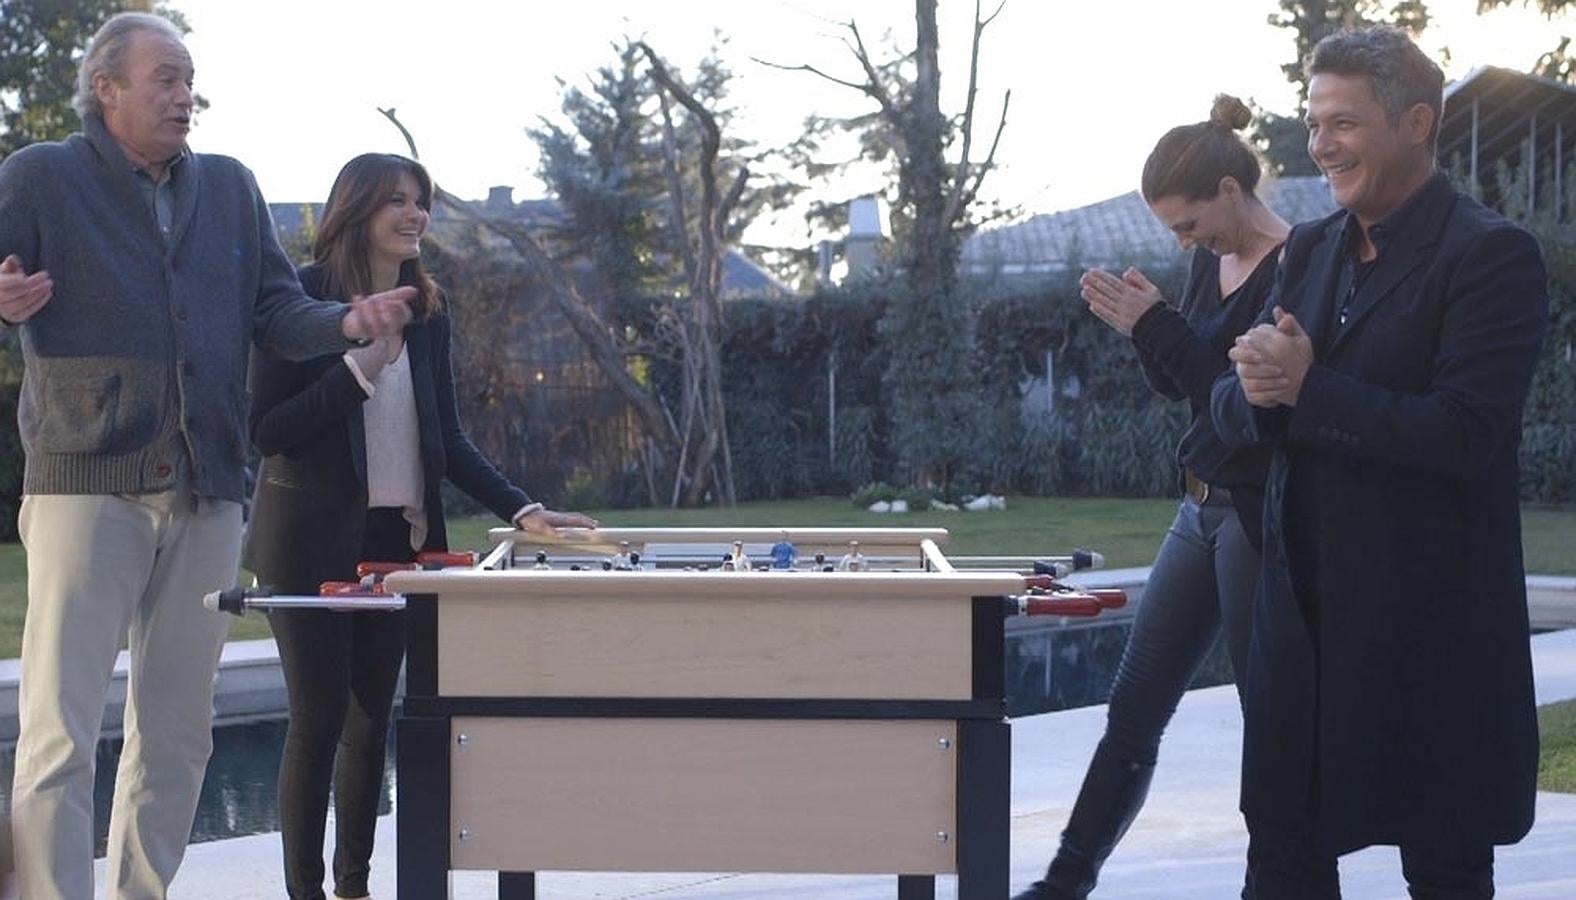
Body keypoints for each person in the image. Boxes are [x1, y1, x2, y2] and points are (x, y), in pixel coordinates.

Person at [0, 13, 414, 900]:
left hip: (211, 487)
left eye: (191, 82)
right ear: (105, 86)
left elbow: (276, 309)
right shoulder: (41, 176)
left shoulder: (230, 187)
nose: (186, 96)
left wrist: (345, 322)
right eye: (166, 79)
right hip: (87, 485)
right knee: (60, 734)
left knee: (182, 733)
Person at [1213, 26, 1546, 898]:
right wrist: (1259, 387)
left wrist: (1306, 391)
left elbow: (1466, 437)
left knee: (1443, 872)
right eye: (1315, 121)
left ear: (1417, 123)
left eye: (1345, 123)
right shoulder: (1310, 249)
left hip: (1427, 644)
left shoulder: (1491, 256)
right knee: (1281, 867)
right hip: (1303, 640)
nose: (1321, 143)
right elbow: (1257, 409)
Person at [242, 152, 597, 900]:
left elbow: (449, 440)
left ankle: (353, 887)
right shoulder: (300, 299)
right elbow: (267, 430)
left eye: (421, 202)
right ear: (356, 210)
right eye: (397, 201)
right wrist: (357, 367)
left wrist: (523, 510)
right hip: (308, 540)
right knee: (320, 716)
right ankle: (305, 892)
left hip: (397, 547)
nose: (415, 215)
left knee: (373, 719)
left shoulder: (425, 309)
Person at [1014, 95, 1288, 899]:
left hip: (1251, 512)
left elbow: (1245, 408)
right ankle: (1065, 882)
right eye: (1175, 231)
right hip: (1196, 507)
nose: (1184, 242)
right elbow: (1189, 387)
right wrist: (1146, 328)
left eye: (1188, 223)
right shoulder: (1214, 257)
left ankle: (1273, 883)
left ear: (1231, 190)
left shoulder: (1298, 265)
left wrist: (1160, 326)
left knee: (1268, 721)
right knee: (1133, 710)